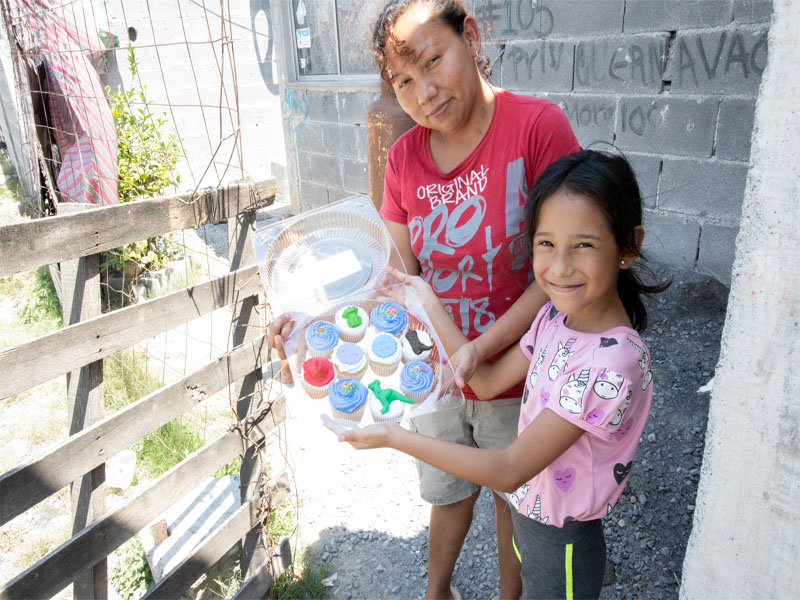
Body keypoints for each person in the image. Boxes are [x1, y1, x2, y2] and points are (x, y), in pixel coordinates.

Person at [270, 1, 579, 597]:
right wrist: (309, 328)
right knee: (446, 489)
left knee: (512, 498)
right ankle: (437, 592)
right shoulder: (405, 159)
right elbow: (392, 279)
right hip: (430, 367)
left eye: (433, 62)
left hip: (517, 369)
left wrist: (481, 350)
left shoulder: (537, 128)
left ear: (471, 35)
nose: (423, 94)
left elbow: (558, 273)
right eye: (403, 82)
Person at [338, 150, 670, 599]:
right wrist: (426, 301)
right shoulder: (556, 318)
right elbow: (488, 382)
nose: (560, 267)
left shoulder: (612, 364)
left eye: (584, 245)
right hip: (528, 516)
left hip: (563, 542)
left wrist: (396, 437)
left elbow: (510, 468)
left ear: (628, 247)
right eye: (546, 243)